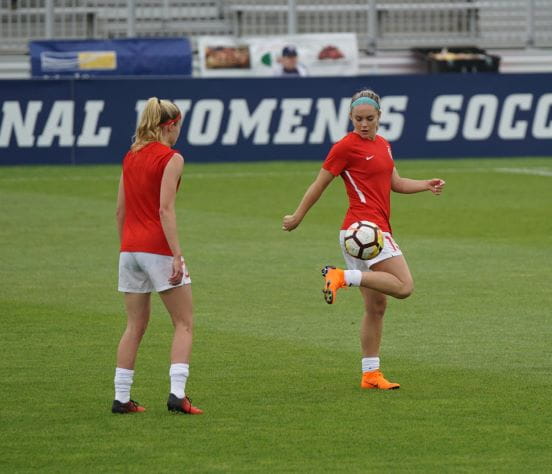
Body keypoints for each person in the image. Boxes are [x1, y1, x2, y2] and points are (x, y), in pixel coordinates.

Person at [282, 89, 445, 390]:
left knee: (376, 307)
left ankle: (370, 374)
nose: (364, 124)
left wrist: (426, 184)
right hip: (364, 230)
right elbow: (319, 184)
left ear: (380, 117)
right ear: (350, 118)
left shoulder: (384, 145)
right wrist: (297, 216)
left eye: (370, 118)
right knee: (405, 287)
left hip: (366, 232)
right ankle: (342, 276)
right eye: (358, 119)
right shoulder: (345, 147)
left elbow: (395, 182)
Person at [112, 97, 202, 414]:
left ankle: (121, 398)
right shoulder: (171, 158)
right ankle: (177, 394)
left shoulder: (130, 156)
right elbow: (165, 209)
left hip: (130, 250)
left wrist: (128, 246)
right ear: (170, 125)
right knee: (184, 323)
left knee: (134, 326)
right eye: (179, 126)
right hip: (158, 249)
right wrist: (176, 255)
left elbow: (120, 210)